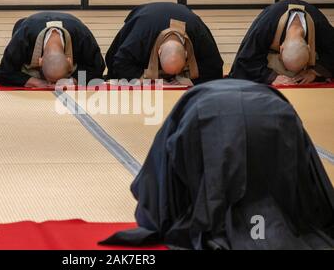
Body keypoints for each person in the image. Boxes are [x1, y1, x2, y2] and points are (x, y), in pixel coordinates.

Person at [101, 79, 334, 250]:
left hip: (207, 116)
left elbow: (163, 166)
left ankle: (220, 214)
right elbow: (309, 172)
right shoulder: (279, 106)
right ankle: (267, 221)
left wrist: (160, 216)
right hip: (275, 114)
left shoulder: (188, 107)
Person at [105, 2, 224, 85]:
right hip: (146, 18)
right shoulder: (140, 37)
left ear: (186, 53)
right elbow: (119, 62)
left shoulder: (199, 34)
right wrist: (140, 78)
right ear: (159, 50)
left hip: (185, 20)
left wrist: (190, 80)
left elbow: (214, 68)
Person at [229, 0, 334, 85]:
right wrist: (270, 77)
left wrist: (314, 72)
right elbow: (246, 59)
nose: (291, 75)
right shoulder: (265, 26)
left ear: (309, 48)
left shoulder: (320, 26)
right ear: (281, 48)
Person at [0, 12, 105, 88]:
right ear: (39, 61)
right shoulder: (23, 37)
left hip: (72, 23)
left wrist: (74, 80)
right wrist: (35, 82)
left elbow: (97, 68)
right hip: (29, 25)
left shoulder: (82, 36)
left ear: (69, 61)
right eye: (51, 82)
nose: (54, 86)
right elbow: (4, 71)